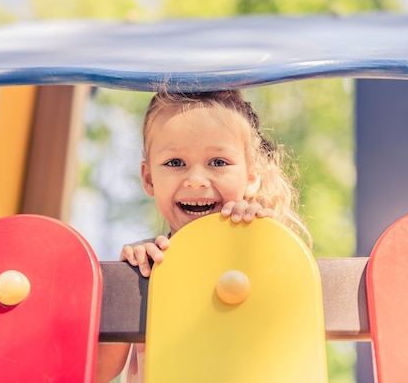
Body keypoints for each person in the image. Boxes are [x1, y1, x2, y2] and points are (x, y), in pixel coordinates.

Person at [95, 90, 310, 383]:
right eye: (175, 162)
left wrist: (260, 240)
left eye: (218, 162)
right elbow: (97, 372)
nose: (196, 180)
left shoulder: (265, 252)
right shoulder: (147, 267)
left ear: (251, 177)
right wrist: (132, 283)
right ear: (148, 179)